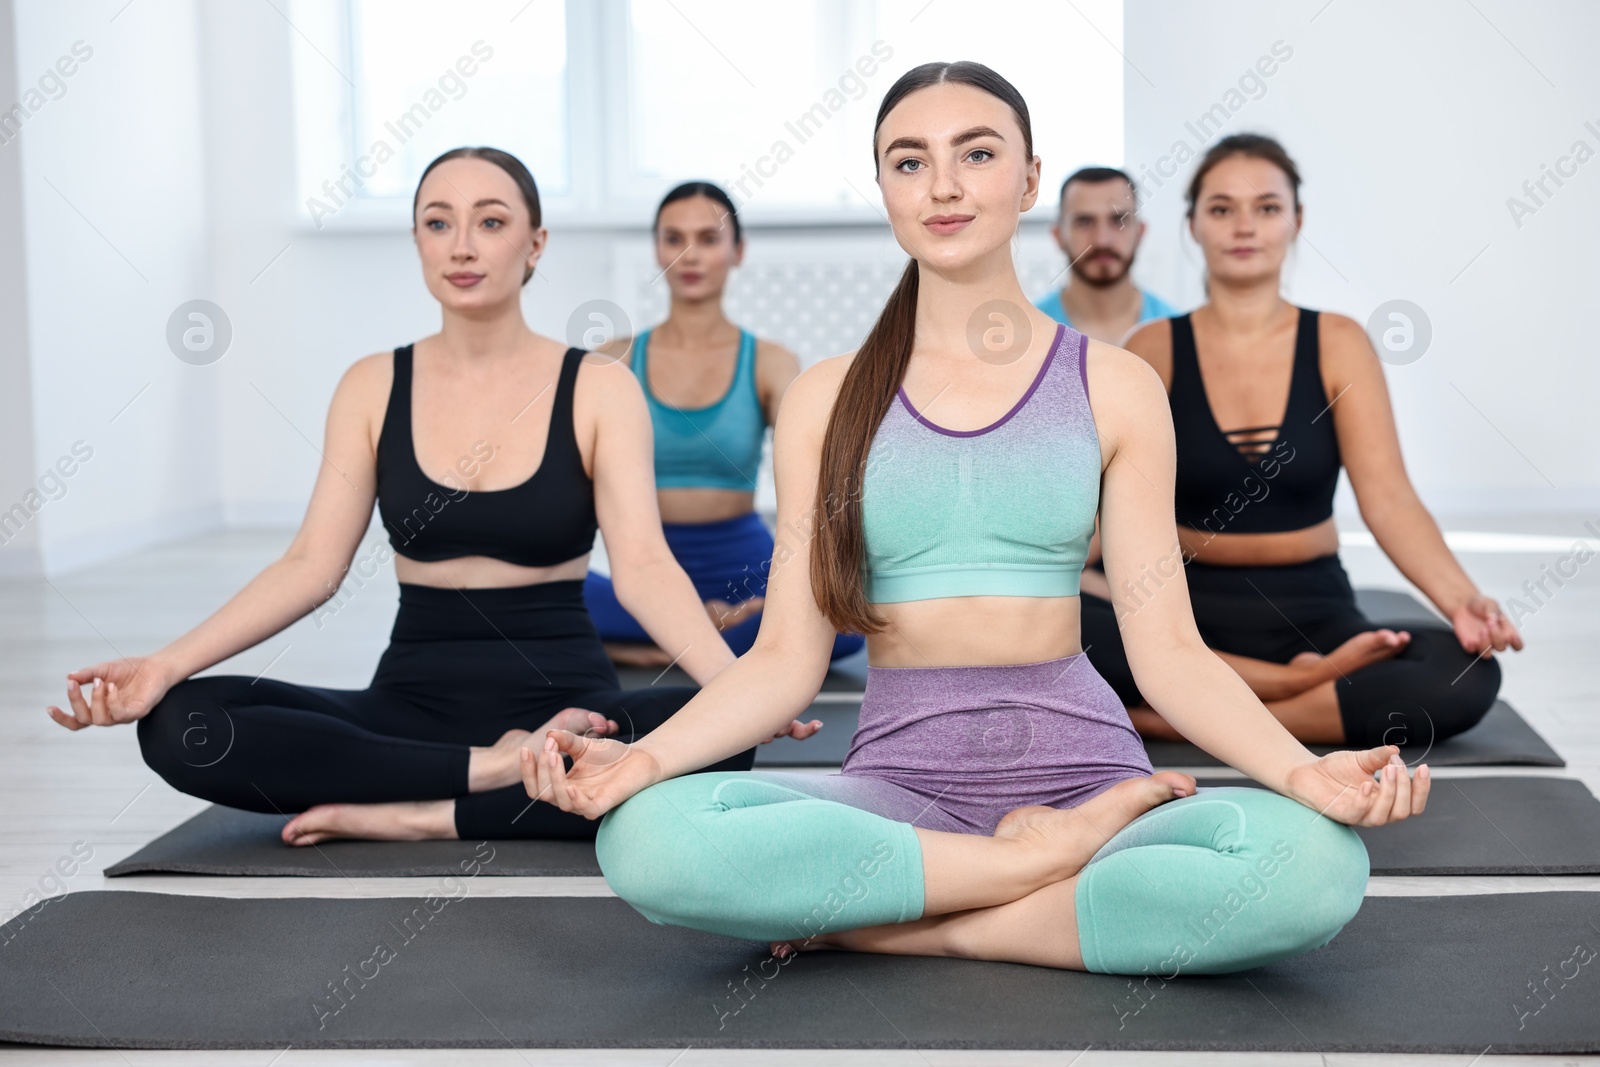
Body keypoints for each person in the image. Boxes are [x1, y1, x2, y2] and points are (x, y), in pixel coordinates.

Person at [518, 64, 1427, 977]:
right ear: (883, 189)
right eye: (909, 162)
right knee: (648, 839)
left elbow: (1171, 656)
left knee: (1314, 867)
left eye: (977, 154)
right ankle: (1019, 873)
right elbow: (786, 663)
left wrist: (1300, 770)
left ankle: (912, 919)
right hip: (897, 789)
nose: (944, 184)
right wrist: (644, 762)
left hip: (1091, 782)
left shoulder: (1114, 386)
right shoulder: (825, 398)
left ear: (1029, 178)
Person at [45, 147, 814, 845]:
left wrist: (737, 693)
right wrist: (163, 665)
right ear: (417, 241)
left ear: (535, 244)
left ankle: (415, 811)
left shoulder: (600, 388)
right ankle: (487, 775)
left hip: (570, 705)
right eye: (438, 222)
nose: (463, 244)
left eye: (491, 220)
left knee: (720, 737)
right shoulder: (373, 384)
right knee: (180, 724)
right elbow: (311, 564)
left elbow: (644, 567)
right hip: (410, 703)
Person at [1077, 133, 1524, 749]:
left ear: (1296, 221)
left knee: (1465, 673)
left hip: (1314, 613)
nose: (1244, 226)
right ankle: (1282, 688)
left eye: (1266, 207)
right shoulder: (1152, 348)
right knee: (1058, 623)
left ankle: (1185, 714)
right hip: (1181, 609)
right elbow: (1108, 511)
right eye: (1221, 208)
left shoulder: (1339, 343)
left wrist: (1463, 599)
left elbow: (1389, 499)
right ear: (1193, 226)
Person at [582, 182, 865, 667]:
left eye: (709, 239)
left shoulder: (770, 362)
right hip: (643, 570)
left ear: (737, 251)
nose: (690, 255)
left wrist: (774, 601)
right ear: (657, 249)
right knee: (540, 594)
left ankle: (659, 647)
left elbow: (821, 485)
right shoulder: (614, 359)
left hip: (746, 569)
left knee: (843, 624)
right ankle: (702, 640)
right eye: (674, 238)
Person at [1034, 166, 1179, 344]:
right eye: (1084, 222)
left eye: (1118, 221)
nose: (1102, 240)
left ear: (1139, 233)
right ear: (1058, 235)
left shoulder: (1178, 334)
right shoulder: (1029, 335)